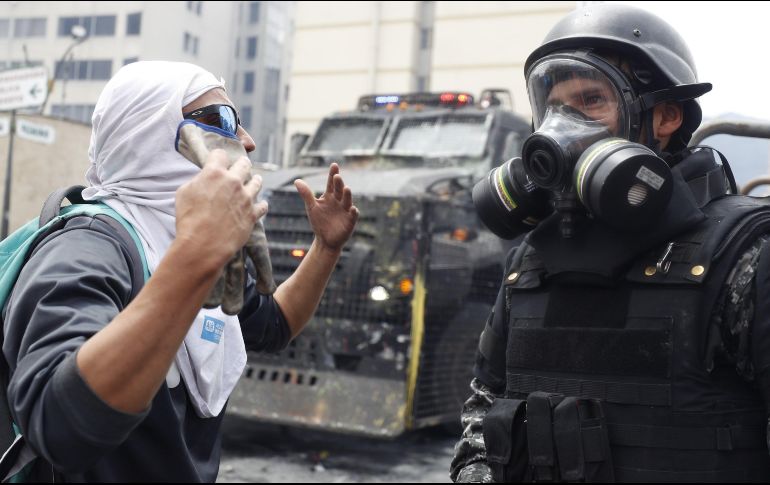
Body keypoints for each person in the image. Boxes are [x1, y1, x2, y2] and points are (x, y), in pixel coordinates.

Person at [452, 4, 770, 482]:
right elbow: (481, 420)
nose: (561, 129)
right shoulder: (531, 262)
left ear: (665, 117)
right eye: (552, 106)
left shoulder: (746, 255)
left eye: (590, 101)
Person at [1, 61, 359, 482]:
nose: (248, 140)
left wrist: (326, 247)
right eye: (222, 119)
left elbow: (271, 325)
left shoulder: (192, 241)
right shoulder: (89, 246)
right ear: (151, 132)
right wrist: (196, 255)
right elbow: (60, 426)